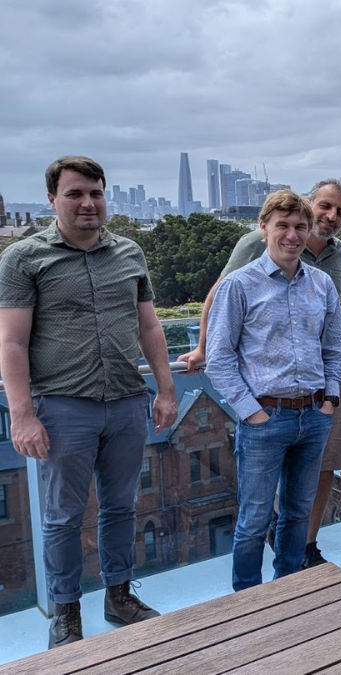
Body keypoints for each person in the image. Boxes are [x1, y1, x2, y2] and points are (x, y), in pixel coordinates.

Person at [0, 155, 175, 648]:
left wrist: (164, 390)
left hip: (124, 402)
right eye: (75, 193)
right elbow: (10, 342)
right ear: (52, 199)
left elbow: (149, 326)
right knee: (62, 515)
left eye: (95, 193)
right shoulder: (24, 258)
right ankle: (65, 611)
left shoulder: (130, 253)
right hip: (62, 406)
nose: (87, 203)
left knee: (121, 506)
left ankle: (119, 596)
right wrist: (23, 415)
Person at [179, 179, 341, 568]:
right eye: (283, 227)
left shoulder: (323, 280)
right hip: (265, 416)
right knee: (254, 519)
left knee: (297, 513)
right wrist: (251, 412)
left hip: (313, 414)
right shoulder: (241, 284)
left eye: (299, 228)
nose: (292, 236)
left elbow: (333, 347)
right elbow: (221, 358)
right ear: (264, 228)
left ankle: (289, 592)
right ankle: (248, 603)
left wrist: (329, 400)